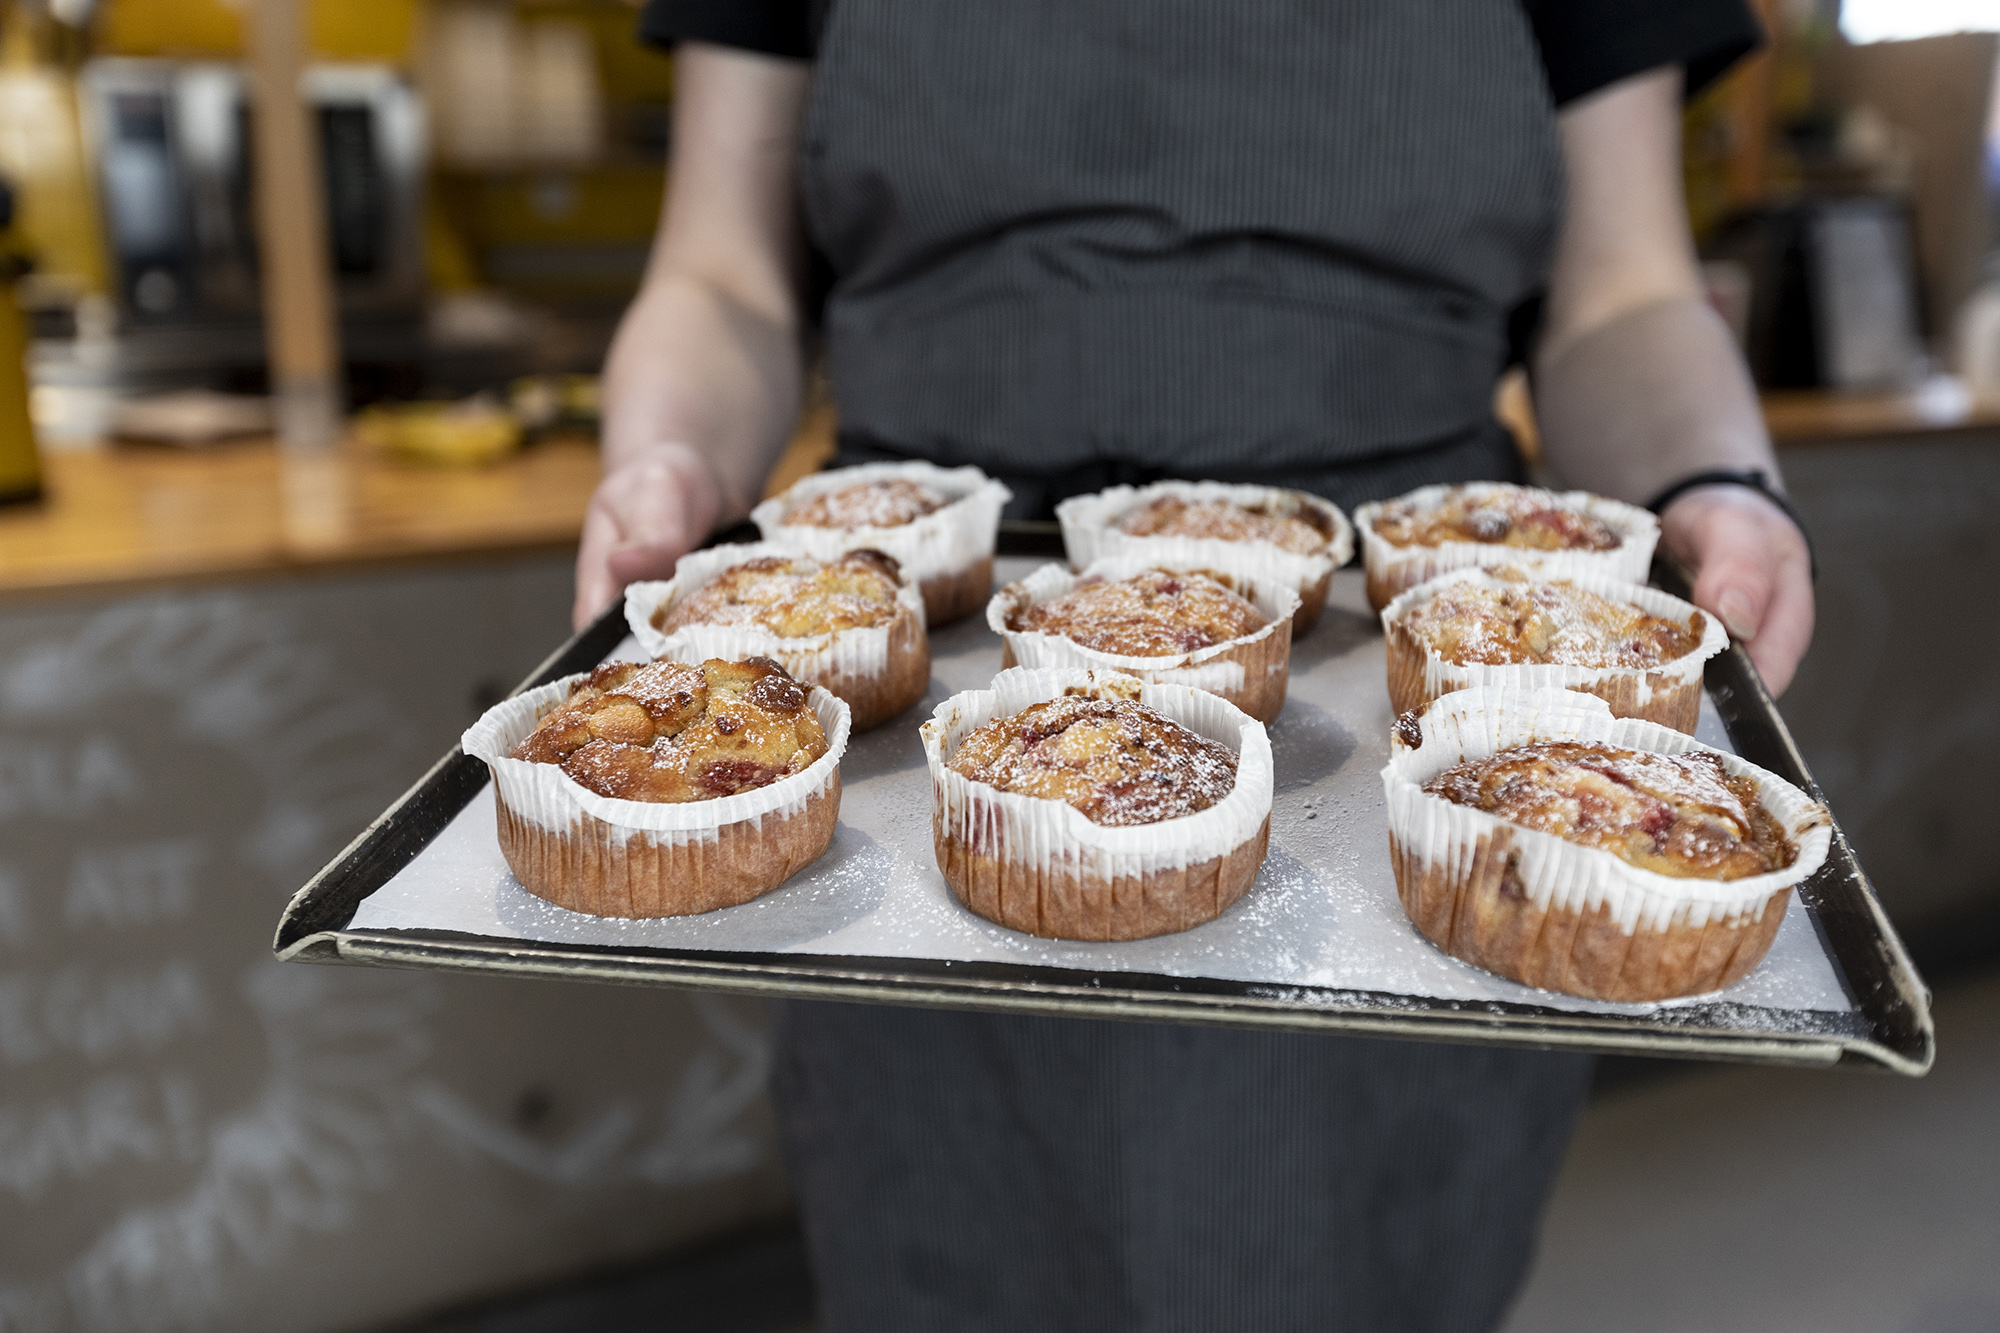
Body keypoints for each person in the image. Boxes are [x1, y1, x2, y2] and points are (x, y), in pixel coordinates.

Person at [574, 3, 1817, 1329]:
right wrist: (670, 458)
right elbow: (725, 280)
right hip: (924, 671)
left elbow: (1622, 297)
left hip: (1413, 699)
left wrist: (1712, 477)